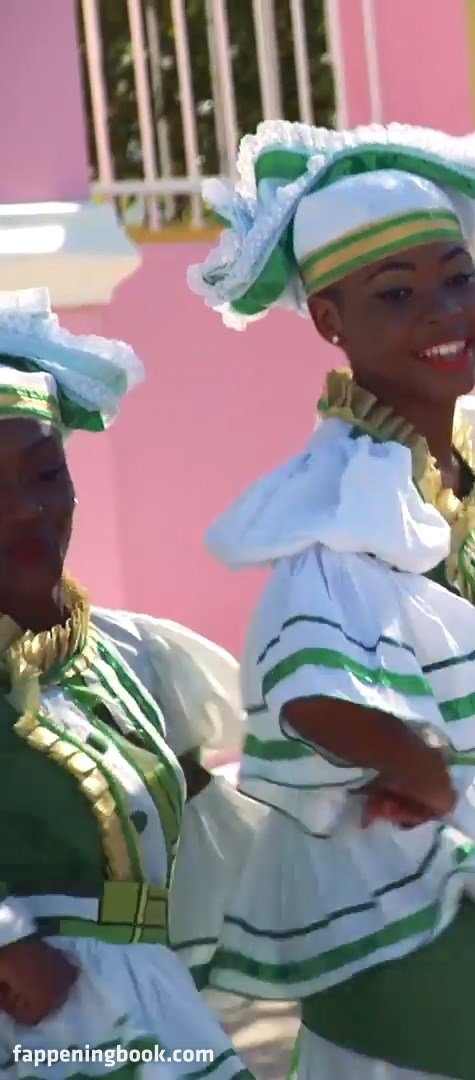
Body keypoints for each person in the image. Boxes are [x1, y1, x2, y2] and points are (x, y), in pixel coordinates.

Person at [188, 121, 475, 1078]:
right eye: (395, 294)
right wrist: (418, 768)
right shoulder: (347, 498)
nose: (443, 312)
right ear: (330, 321)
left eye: (457, 279)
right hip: (399, 892)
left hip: (467, 876)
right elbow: (305, 687)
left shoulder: (454, 467)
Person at [0, 288, 254, 1078]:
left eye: (45, 473)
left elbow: (216, 817)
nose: (24, 511)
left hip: (154, 1004)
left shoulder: (131, 654)